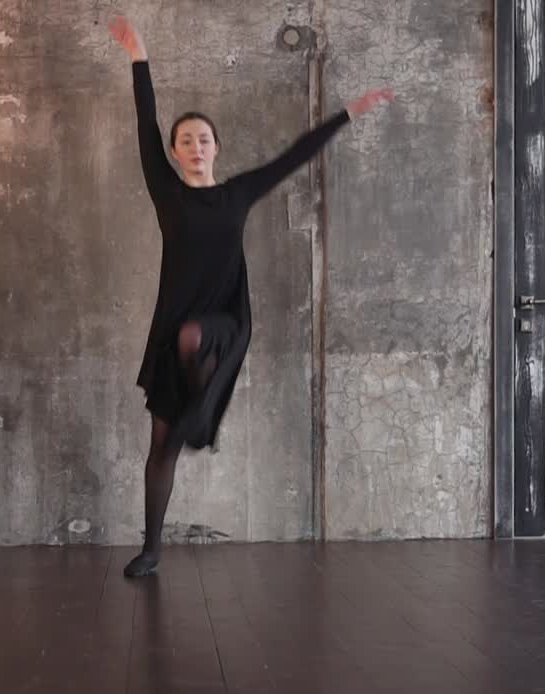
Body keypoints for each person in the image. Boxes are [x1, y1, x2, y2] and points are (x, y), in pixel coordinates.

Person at [108, 16, 393, 577]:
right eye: (184, 140)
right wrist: (138, 54)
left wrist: (348, 113)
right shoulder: (165, 191)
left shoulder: (237, 194)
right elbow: (145, 121)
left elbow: (294, 155)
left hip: (223, 323)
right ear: (174, 150)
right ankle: (152, 549)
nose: (194, 147)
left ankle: (200, 408)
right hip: (173, 333)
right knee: (161, 445)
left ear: (217, 148)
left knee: (196, 339)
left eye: (203, 139)